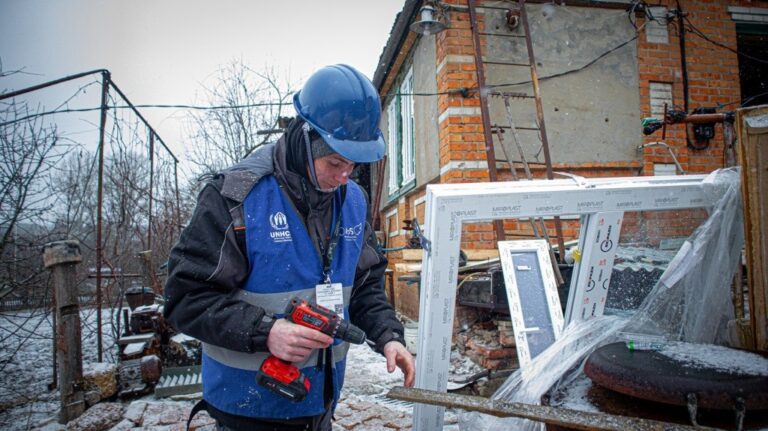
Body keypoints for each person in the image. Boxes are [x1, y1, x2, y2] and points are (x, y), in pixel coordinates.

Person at [163, 64, 415, 431]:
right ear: (305, 138)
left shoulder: (354, 202)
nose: (345, 176)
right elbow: (185, 299)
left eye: (354, 164)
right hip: (248, 409)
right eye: (335, 162)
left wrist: (388, 336)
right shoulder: (236, 197)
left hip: (318, 402)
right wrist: (266, 331)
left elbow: (364, 287)